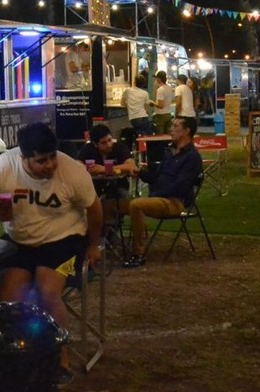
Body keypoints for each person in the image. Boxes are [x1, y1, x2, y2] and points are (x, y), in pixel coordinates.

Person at [0, 122, 102, 385]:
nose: (50, 165)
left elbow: (95, 208)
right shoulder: (4, 165)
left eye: (52, 157)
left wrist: (92, 245)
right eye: (41, 160)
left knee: (47, 292)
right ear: (24, 158)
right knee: (7, 299)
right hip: (20, 240)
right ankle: (13, 356)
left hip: (63, 239)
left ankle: (59, 360)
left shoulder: (71, 171)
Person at [122, 116, 204, 268]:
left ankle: (138, 253)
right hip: (159, 198)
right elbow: (155, 177)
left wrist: (156, 193)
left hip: (174, 202)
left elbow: (181, 186)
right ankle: (103, 246)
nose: (171, 129)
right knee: (110, 204)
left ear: (187, 131)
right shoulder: (170, 153)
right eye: (171, 125)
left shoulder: (192, 157)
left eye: (175, 126)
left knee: (136, 205)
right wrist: (139, 172)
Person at [76, 124, 138, 228]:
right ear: (95, 144)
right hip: (94, 188)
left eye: (109, 140)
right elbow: (77, 164)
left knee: (124, 198)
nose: (109, 144)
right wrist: (86, 169)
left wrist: (104, 169)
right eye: (104, 143)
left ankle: (110, 231)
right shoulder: (88, 149)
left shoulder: (119, 147)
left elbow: (131, 165)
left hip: (118, 187)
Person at [121, 74, 154, 139]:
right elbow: (146, 108)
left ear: (134, 82)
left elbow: (122, 103)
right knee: (148, 136)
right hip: (143, 117)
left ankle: (140, 146)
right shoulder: (145, 93)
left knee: (140, 136)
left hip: (133, 119)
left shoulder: (128, 91)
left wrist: (130, 105)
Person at [149, 70, 175, 134]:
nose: (155, 80)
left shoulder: (160, 90)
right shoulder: (169, 88)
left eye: (156, 78)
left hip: (160, 116)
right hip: (168, 114)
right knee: (167, 136)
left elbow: (160, 105)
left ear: (159, 79)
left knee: (160, 136)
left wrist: (152, 102)